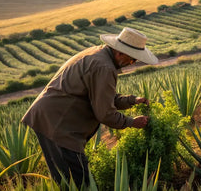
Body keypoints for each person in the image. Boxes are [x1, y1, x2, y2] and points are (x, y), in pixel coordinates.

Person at [22, 27, 158, 188]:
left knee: (67, 181)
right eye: (132, 58)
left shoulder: (97, 54)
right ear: (120, 52)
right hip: (59, 125)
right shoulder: (104, 67)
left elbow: (101, 98)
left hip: (50, 119)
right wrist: (131, 122)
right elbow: (105, 114)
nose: (132, 63)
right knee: (79, 182)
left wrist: (132, 100)